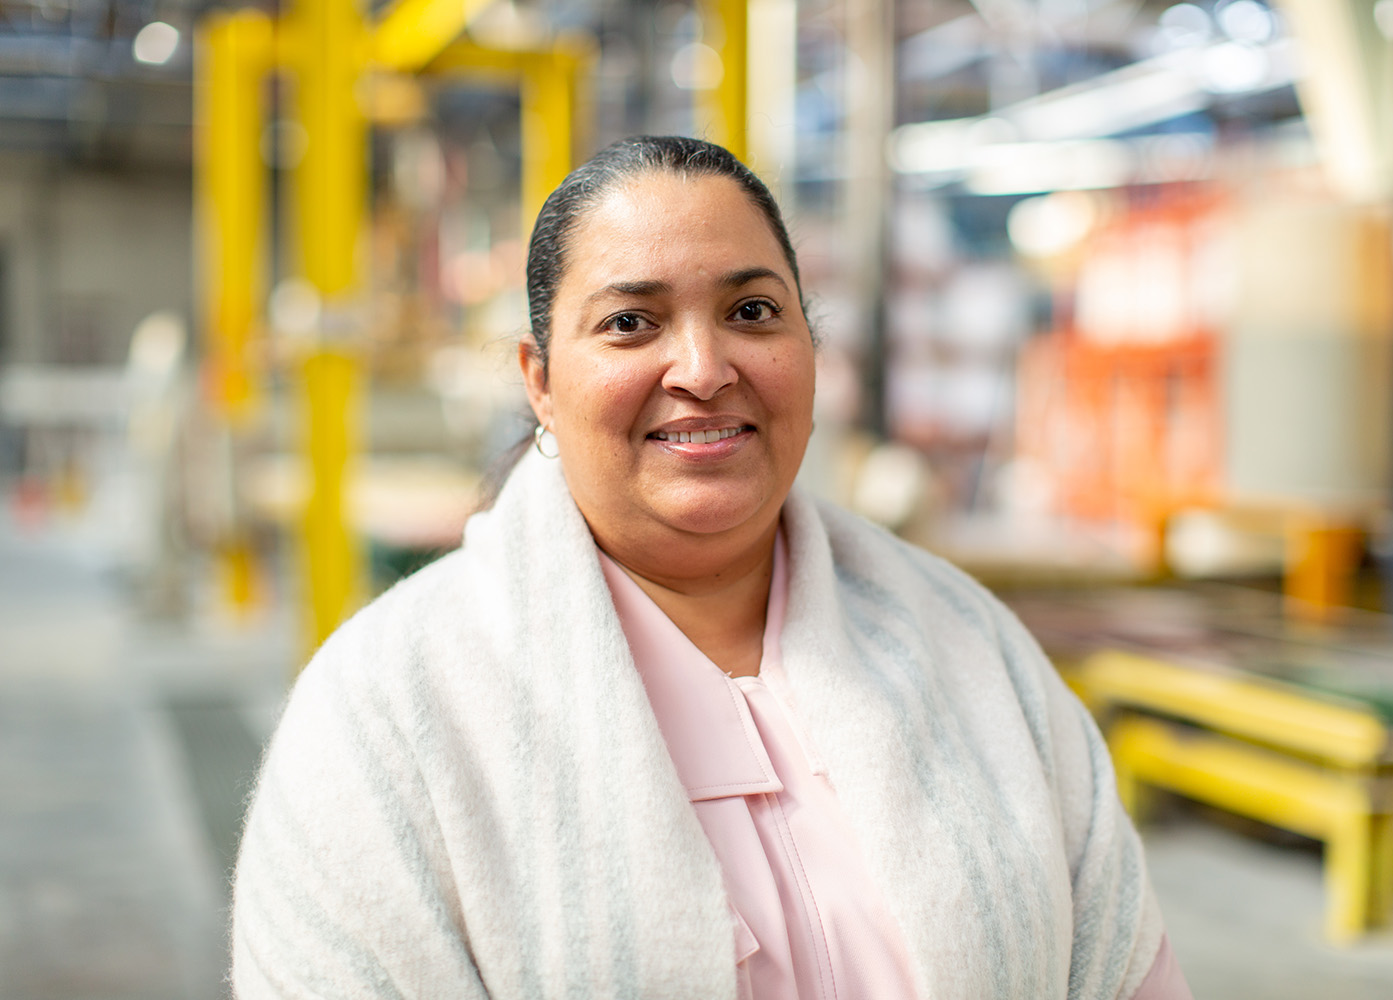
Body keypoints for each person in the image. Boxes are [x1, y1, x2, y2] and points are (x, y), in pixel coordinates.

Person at [231, 135, 1192, 1000]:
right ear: (540, 382)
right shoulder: (387, 709)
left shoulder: (971, 645)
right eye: (630, 324)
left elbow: (1119, 967)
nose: (702, 366)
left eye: (751, 310)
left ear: (810, 347)